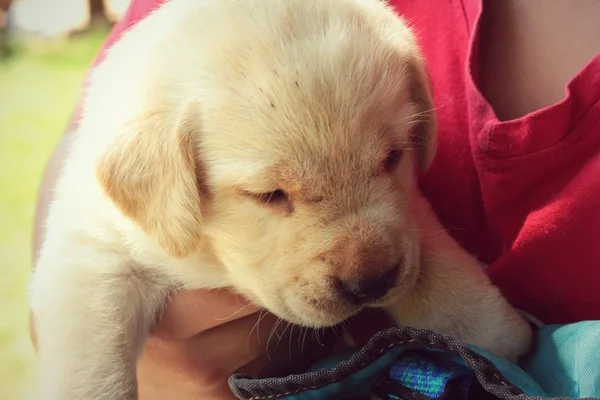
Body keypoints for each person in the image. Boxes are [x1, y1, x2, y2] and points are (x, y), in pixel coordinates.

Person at [31, 0, 600, 399]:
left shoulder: (368, 38)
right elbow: (84, 259)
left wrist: (496, 340)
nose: (367, 262)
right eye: (273, 193)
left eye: (387, 158)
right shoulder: (161, 85)